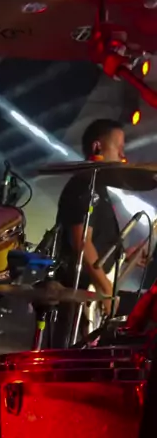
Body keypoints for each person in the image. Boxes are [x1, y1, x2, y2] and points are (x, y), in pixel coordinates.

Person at [52, 118, 146, 347]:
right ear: (97, 147)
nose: (123, 154)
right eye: (118, 147)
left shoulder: (97, 187)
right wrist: (106, 291)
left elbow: (95, 245)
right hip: (82, 292)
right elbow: (81, 242)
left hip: (91, 291)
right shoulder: (85, 184)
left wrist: (125, 256)